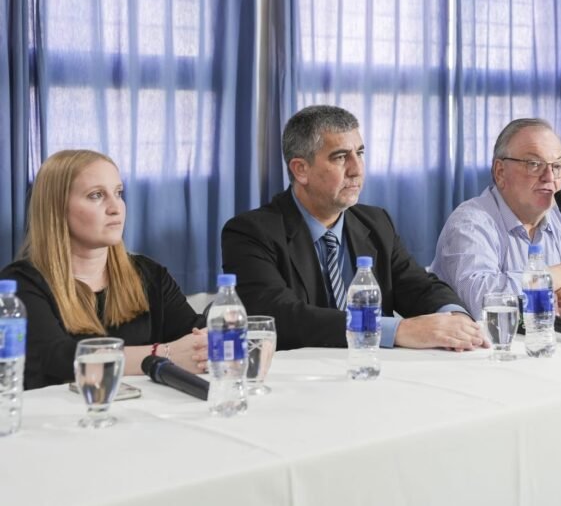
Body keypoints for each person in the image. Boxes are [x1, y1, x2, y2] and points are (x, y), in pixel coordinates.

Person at [221, 105, 486, 351]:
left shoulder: (376, 222)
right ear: (301, 170)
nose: (357, 169)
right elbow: (280, 316)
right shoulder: (250, 232)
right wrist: (396, 330)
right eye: (339, 157)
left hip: (372, 374)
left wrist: (455, 318)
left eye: (359, 153)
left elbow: (419, 287)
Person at [0, 150, 208, 390]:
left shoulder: (149, 275)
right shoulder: (21, 282)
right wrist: (161, 354)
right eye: (96, 195)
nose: (115, 208)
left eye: (118, 193)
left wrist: (224, 343)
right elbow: (58, 359)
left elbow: (196, 332)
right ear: (56, 209)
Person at [430, 118, 561, 317]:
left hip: (544, 338)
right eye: (534, 164)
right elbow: (483, 299)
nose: (550, 177)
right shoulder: (470, 223)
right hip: (486, 344)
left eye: (557, 166)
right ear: (500, 172)